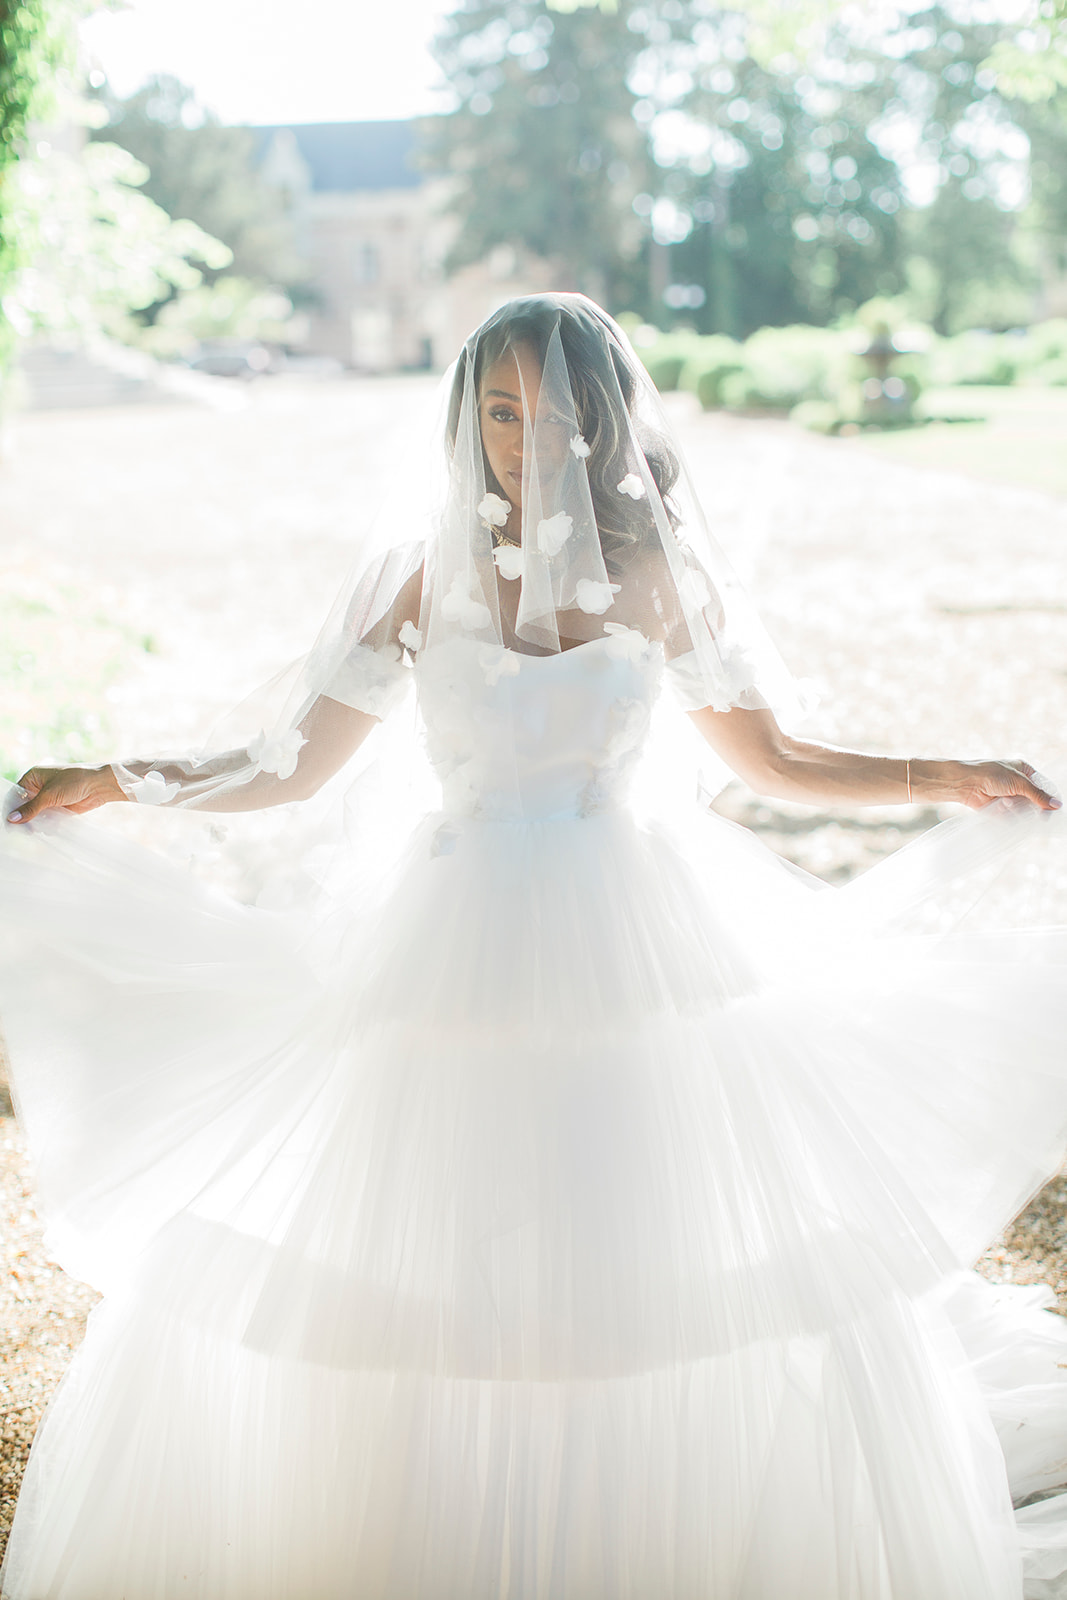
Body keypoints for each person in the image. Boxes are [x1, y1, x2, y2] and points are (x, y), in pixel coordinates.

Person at [1, 291, 1066, 1599]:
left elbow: (776, 758)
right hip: (449, 951)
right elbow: (282, 766)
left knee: (635, 1244)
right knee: (441, 1238)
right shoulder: (418, 577)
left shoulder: (657, 577)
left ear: (604, 419)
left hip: (638, 949)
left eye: (550, 409)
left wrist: (952, 770)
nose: (523, 435)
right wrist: (108, 780)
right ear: (467, 418)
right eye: (499, 409)